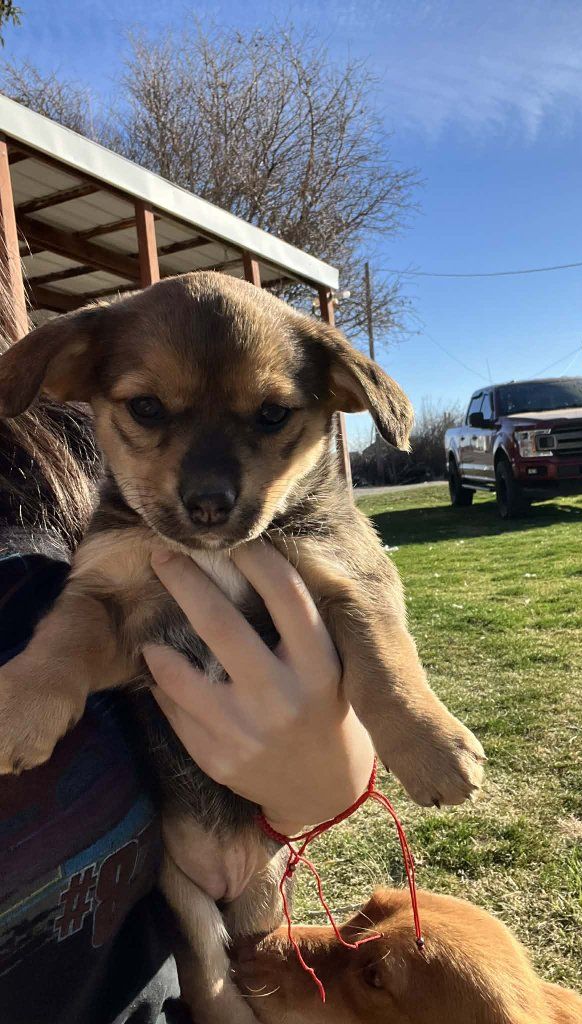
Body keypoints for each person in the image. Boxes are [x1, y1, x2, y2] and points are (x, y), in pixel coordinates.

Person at [0, 333, 375, 1024]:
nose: (207, 492)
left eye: (268, 415)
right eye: (149, 410)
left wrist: (328, 773)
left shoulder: (58, 458)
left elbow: (359, 606)